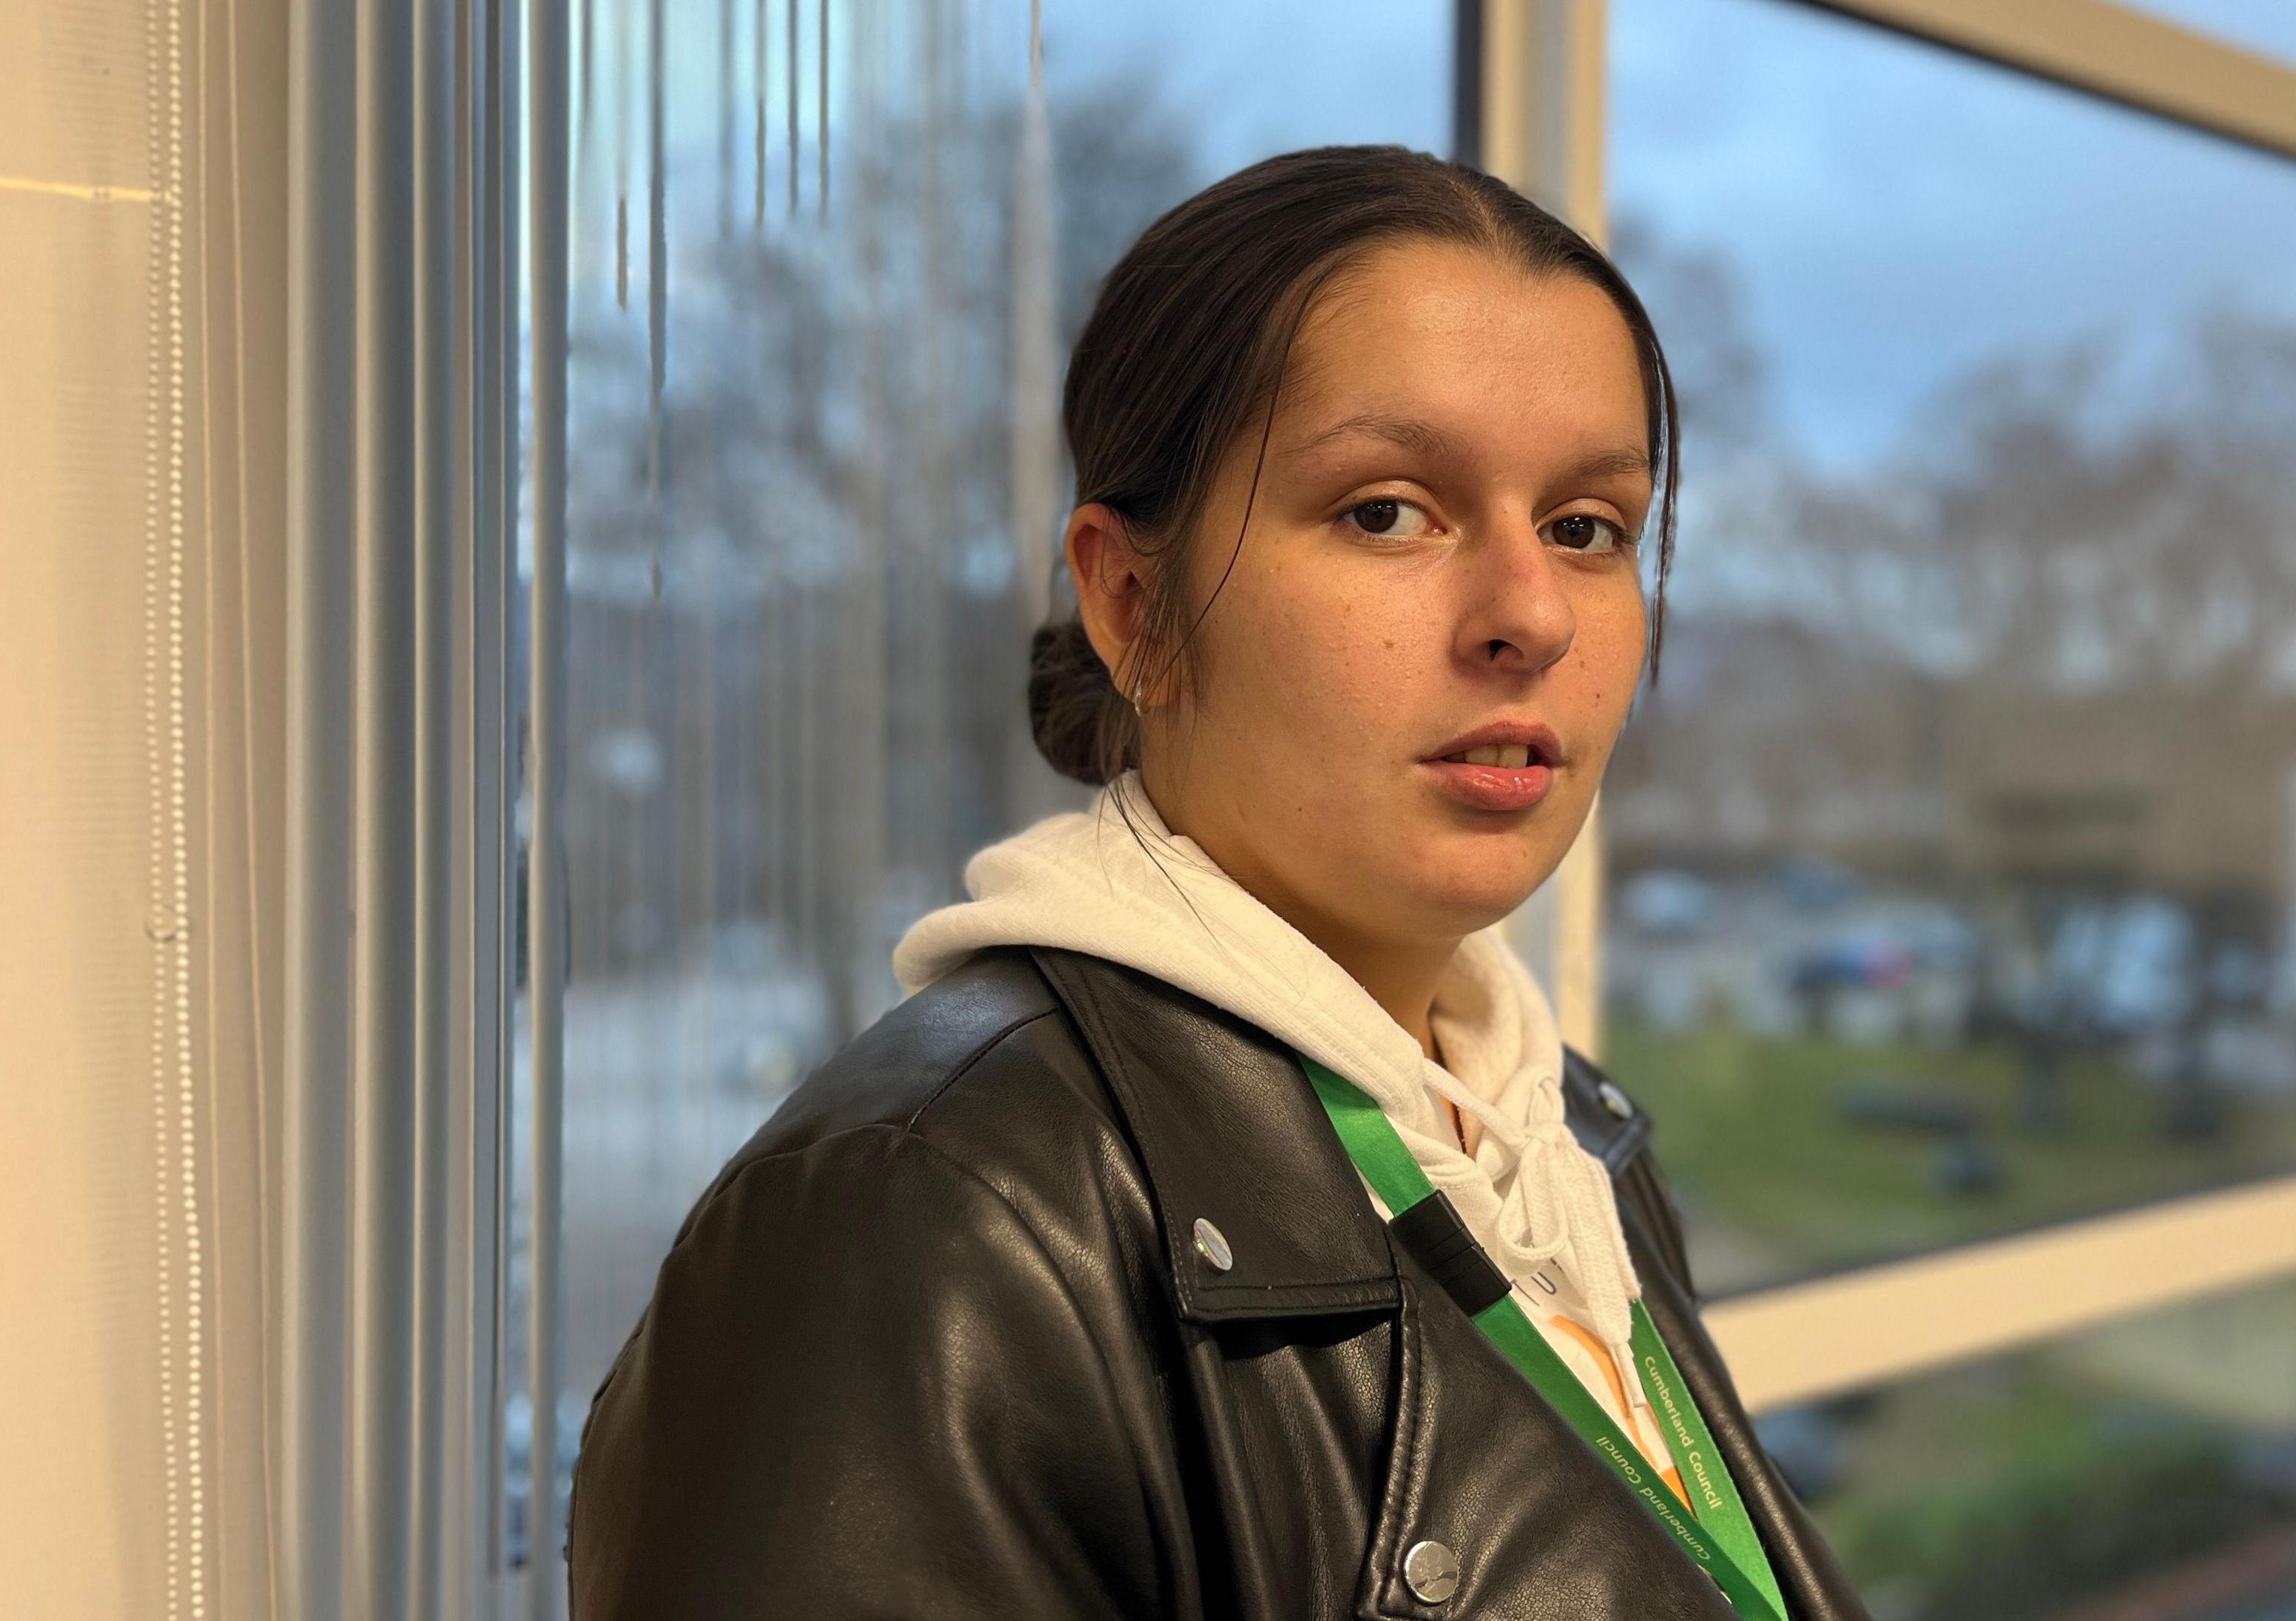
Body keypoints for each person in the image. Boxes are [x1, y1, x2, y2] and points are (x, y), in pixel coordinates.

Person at [567, 143, 1864, 1620]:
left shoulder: (1553, 1146)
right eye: (1388, 509)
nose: (1530, 617)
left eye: (1587, 530)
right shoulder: (928, 1220)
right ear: (1132, 603)